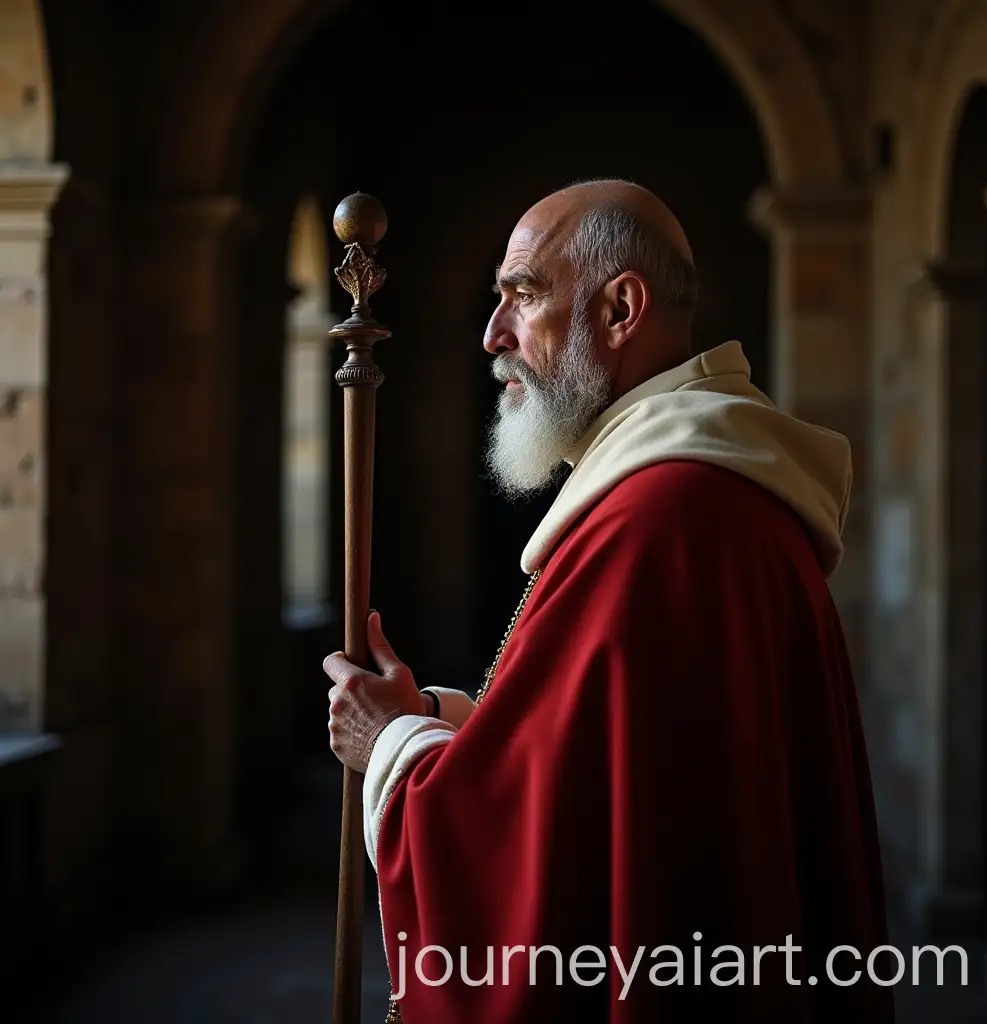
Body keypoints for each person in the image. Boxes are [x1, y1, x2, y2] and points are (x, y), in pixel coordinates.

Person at [323, 179, 895, 1022]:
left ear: (621, 307)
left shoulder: (656, 521)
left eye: (522, 294)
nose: (492, 337)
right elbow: (618, 764)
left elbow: (525, 858)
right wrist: (452, 717)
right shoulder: (703, 493)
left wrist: (394, 744)